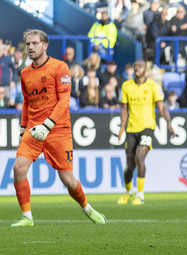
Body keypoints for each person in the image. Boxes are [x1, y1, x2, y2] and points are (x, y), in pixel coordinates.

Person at [11, 29, 106, 227]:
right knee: (18, 168)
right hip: (33, 129)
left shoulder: (59, 67)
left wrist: (48, 125)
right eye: (28, 44)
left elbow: (64, 101)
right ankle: (27, 217)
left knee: (68, 180)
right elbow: (27, 103)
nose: (30, 47)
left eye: (35, 43)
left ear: (45, 45)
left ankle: (86, 207)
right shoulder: (25, 73)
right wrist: (23, 128)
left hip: (58, 130)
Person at [117, 60, 175, 205]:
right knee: (129, 166)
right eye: (135, 66)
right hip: (131, 128)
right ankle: (128, 192)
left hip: (147, 127)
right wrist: (122, 127)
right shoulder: (126, 86)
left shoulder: (153, 87)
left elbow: (161, 107)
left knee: (139, 157)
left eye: (140, 66)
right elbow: (124, 108)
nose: (137, 68)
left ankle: (140, 195)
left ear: (146, 70)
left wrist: (169, 123)